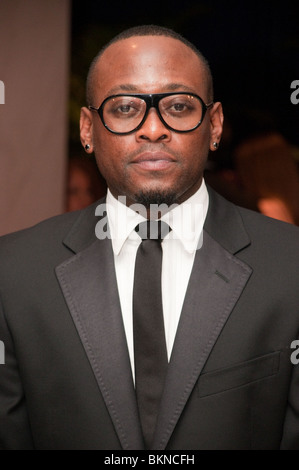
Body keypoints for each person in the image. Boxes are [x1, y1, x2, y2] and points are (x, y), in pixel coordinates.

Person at [0, 25, 299, 451]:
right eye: (124, 108)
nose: (153, 129)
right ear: (88, 129)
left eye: (178, 106)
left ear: (214, 125)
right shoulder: (13, 272)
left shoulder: (290, 266)